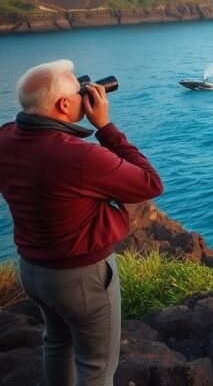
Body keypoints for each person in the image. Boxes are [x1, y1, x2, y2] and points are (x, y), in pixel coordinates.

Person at [0, 59, 164, 386]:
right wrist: (105, 127)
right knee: (97, 367)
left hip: (34, 271)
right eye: (79, 89)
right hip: (81, 278)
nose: (85, 93)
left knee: (57, 343)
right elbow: (150, 183)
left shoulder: (5, 137)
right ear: (64, 104)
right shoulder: (80, 156)